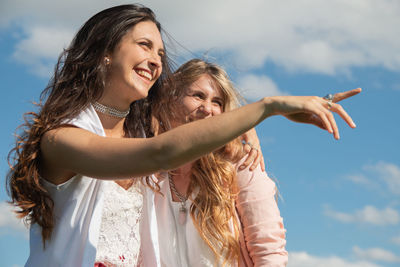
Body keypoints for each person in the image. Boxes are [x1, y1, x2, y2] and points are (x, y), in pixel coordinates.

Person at [6, 4, 360, 267]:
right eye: (144, 45)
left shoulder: (141, 131)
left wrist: (246, 129)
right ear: (104, 53)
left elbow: (182, 130)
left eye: (160, 52)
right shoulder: (62, 140)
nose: (156, 60)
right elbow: (161, 151)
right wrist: (266, 107)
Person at [151, 59, 287, 266]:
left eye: (217, 102)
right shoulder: (148, 171)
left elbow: (269, 253)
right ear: (171, 99)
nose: (208, 109)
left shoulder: (241, 164)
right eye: (198, 96)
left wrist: (243, 125)